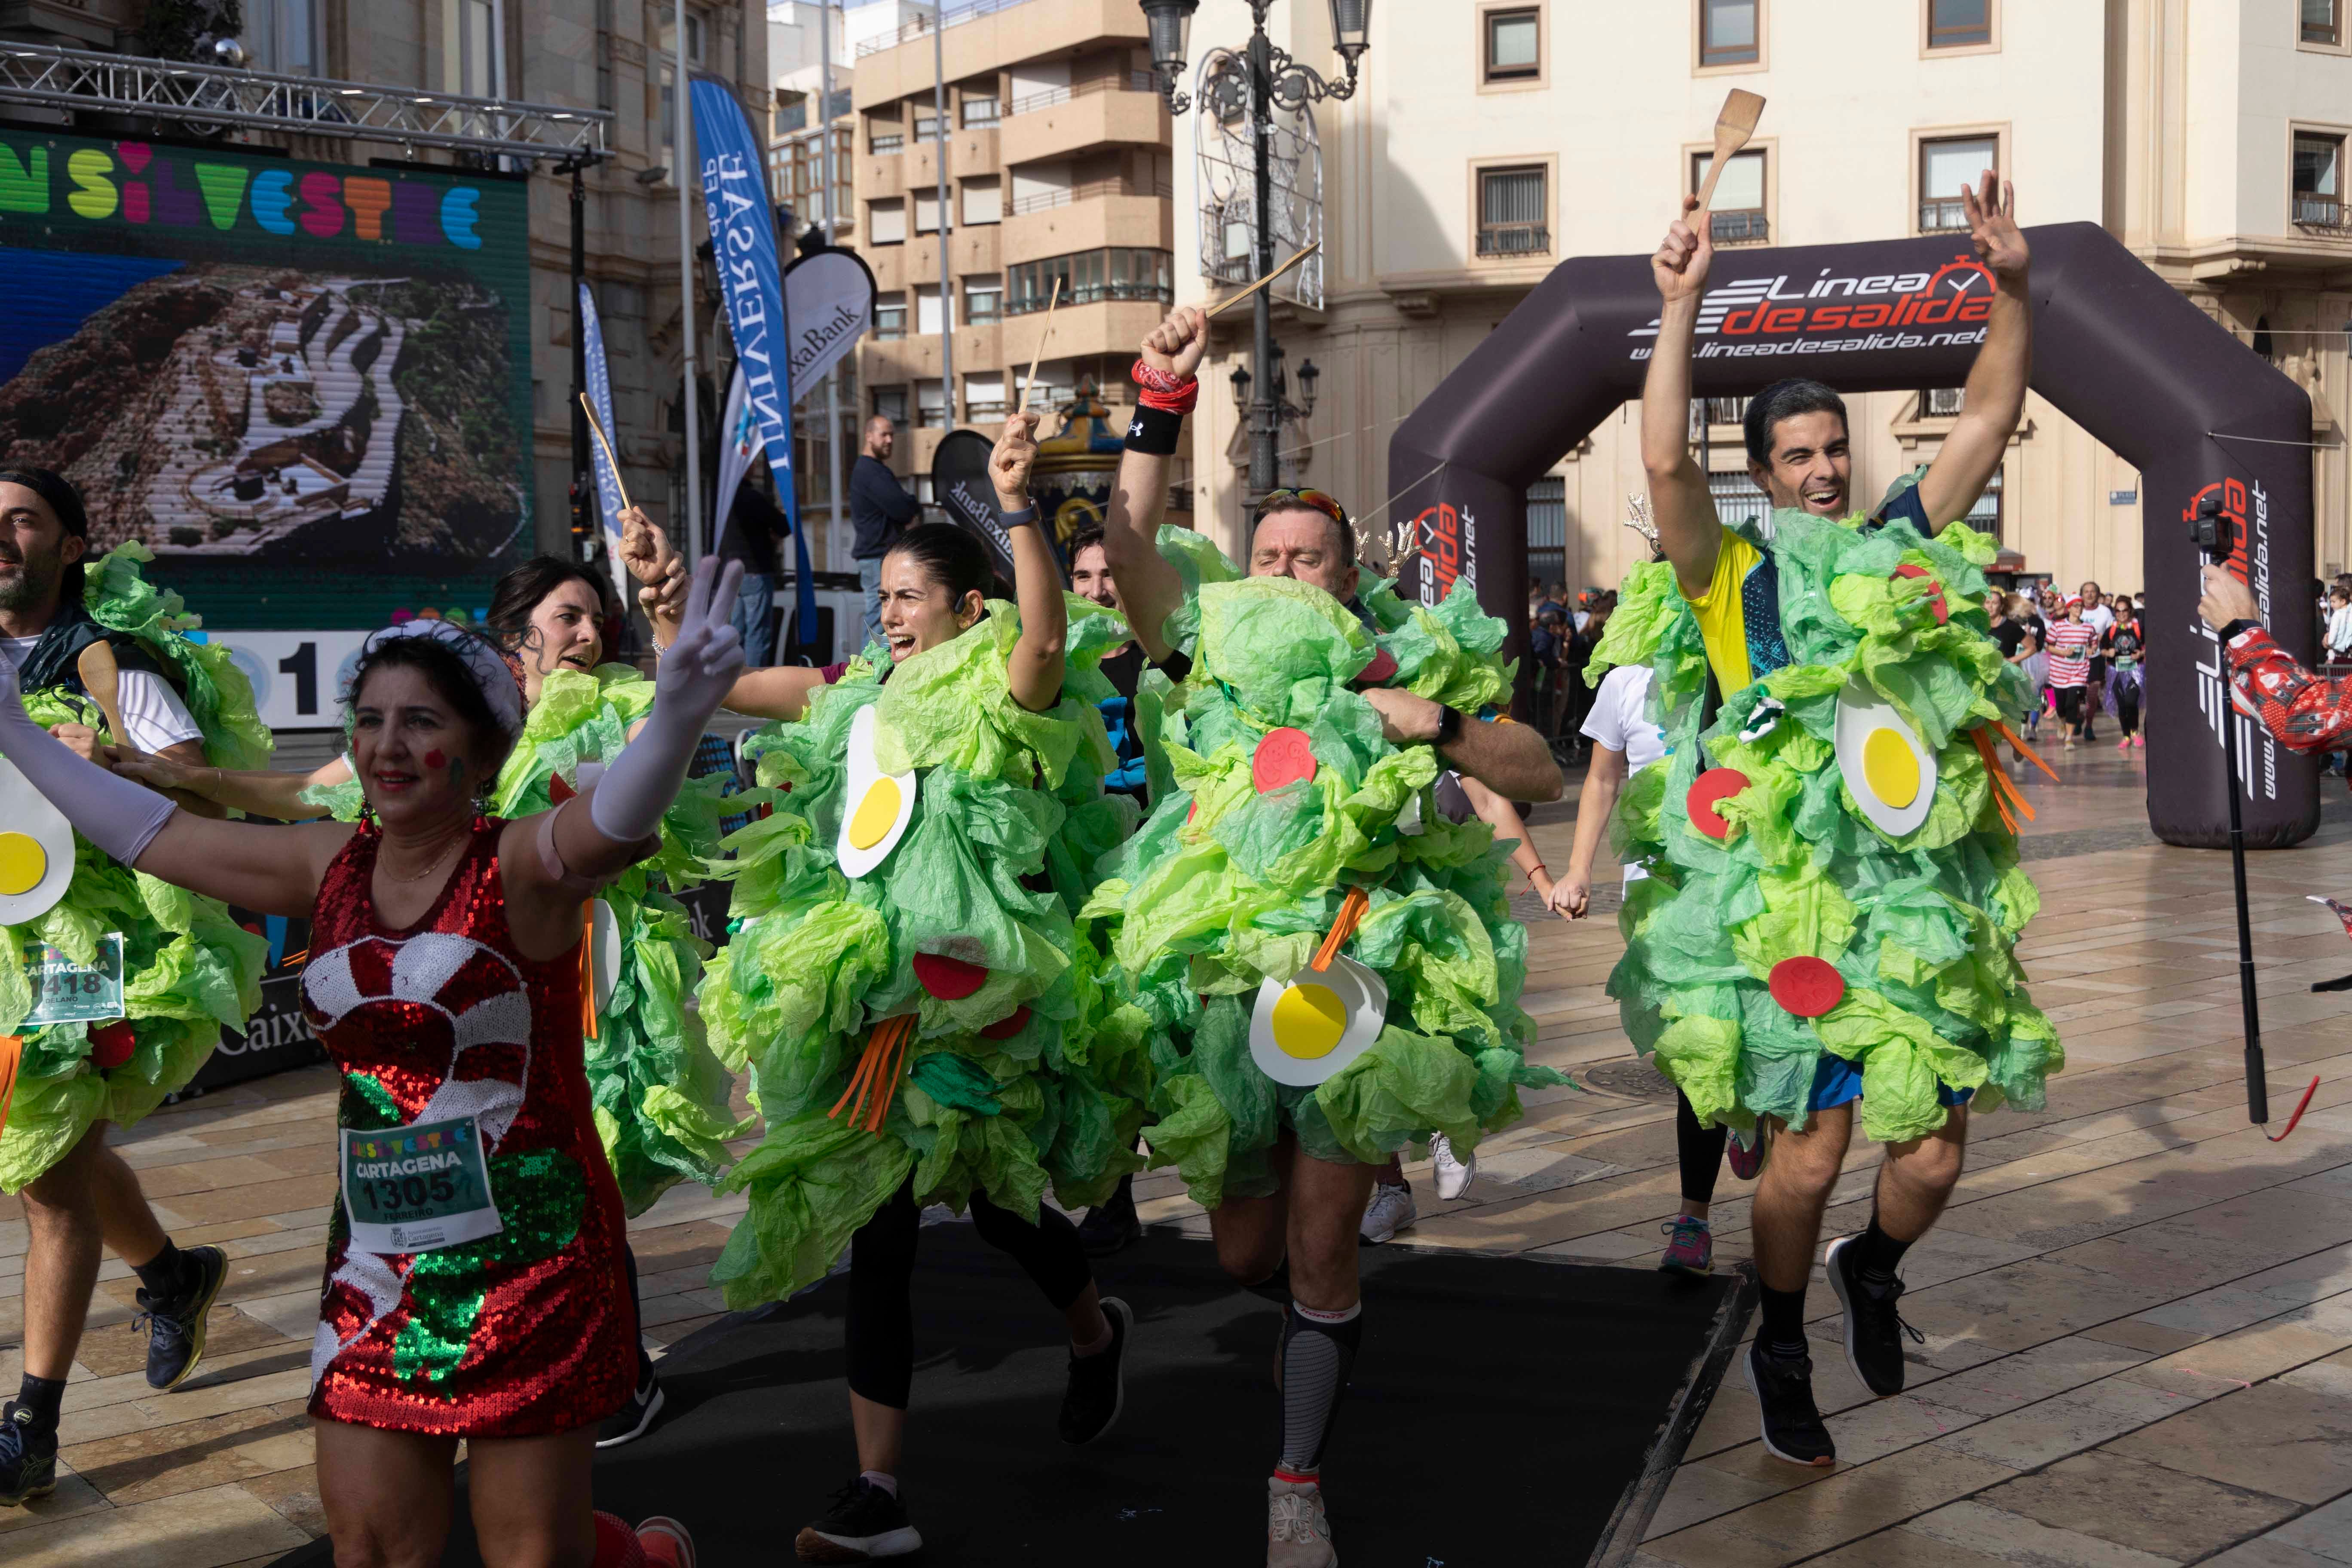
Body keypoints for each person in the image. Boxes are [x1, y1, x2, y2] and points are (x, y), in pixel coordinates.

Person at [0, 557, 750, 1566]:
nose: (389, 745)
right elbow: (152, 834)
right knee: (372, 1549)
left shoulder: (520, 863)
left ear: (480, 751)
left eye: (422, 722)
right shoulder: (326, 860)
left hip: (529, 1264)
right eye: (372, 721)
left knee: (531, 1553)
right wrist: (8, 723)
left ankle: (640, 1557)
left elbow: (611, 823)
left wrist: (678, 714)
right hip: (379, 1266)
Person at [1092, 304, 1565, 1567]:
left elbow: (1542, 770)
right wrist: (1159, 393)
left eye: (1309, 557)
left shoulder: (1395, 657)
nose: (1288, 572)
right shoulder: (1203, 660)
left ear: (1346, 576)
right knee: (1246, 1248)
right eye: (1272, 557)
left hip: (1363, 978)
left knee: (1315, 1246)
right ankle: (1313, 1323)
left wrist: (1440, 726)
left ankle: (1295, 1478)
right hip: (1229, 988)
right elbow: (1129, 539)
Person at [635, 415, 1143, 1562]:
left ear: (970, 609)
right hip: (872, 1001)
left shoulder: (1007, 690)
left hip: (979, 998)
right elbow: (708, 679)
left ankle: (1093, 1331)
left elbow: (1049, 642)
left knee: (1007, 1207)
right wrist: (664, 600)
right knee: (883, 1231)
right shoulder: (855, 694)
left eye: (915, 597)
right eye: (888, 596)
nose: (893, 614)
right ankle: (877, 1491)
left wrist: (1017, 507)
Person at [1626, 169, 2055, 1470]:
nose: (1821, 471)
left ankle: (1876, 1267)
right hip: (1789, 904)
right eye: (1797, 457)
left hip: (1911, 892)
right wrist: (1683, 306)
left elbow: (1988, 412)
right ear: (1762, 473)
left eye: (1833, 452)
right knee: (1805, 1159)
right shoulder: (1728, 575)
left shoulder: (1894, 544)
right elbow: (1656, 457)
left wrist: (2013, 287)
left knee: (1931, 1151)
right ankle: (1779, 1337)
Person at [0, 469, 276, 1507]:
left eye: (22, 519)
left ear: (71, 546)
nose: (0, 538)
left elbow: (197, 775)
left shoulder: (110, 654)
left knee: (52, 1175)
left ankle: (31, 1424)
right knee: (54, 1155)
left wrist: (109, 753)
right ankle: (170, 1274)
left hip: (92, 941)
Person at [1550, 597, 1761, 1277]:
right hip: (1664, 899)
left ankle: (1750, 1112)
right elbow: (1603, 778)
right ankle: (1693, 1219)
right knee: (1694, 1047)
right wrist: (1579, 869)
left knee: (1756, 1035)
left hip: (1752, 887)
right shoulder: (1625, 680)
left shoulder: (1749, 666)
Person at [1066, 522, 1152, 1256]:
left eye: (1108, 575)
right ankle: (1114, 1193)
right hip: (1089, 877)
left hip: (1159, 868)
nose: (1097, 589)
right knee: (1108, 1034)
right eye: (1083, 576)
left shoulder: (1160, 660)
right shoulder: (1055, 670)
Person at [851, 416, 922, 652]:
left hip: (878, 557)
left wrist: (910, 505)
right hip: (876, 558)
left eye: (892, 435)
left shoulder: (876, 470)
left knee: (884, 619)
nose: (890, 440)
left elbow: (905, 504)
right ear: (869, 436)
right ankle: (867, 675)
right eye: (884, 435)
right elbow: (903, 508)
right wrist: (911, 507)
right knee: (879, 621)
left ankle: (872, 673)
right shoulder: (870, 471)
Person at [715, 475, 791, 666]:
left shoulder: (721, 499)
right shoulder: (753, 498)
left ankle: (735, 682)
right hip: (754, 572)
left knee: (736, 632)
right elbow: (783, 527)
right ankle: (753, 683)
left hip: (731, 575)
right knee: (758, 634)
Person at [2046, 596, 2097, 747]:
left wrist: (2091, 650)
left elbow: (2094, 642)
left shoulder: (2088, 627)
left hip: (2079, 673)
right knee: (2061, 707)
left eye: (2081, 606)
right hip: (2059, 672)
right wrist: (2063, 653)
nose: (2078, 609)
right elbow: (2048, 646)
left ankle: (2069, 738)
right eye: (2075, 606)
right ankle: (2062, 722)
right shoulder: (2058, 626)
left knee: (2072, 704)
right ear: (2069, 609)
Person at [2106, 603, 2145, 751]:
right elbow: (2102, 648)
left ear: (2130, 611)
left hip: (2136, 671)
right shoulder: (2111, 630)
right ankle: (2126, 736)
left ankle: (2135, 730)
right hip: (2115, 672)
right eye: (2118, 611)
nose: (2121, 614)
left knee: (2131, 701)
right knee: (2122, 705)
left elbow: (2149, 645)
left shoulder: (2138, 629)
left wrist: (2141, 654)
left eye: (2125, 610)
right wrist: (2107, 652)